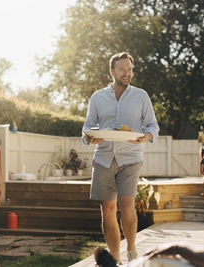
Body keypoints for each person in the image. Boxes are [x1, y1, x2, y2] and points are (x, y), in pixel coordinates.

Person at [82, 52, 159, 264]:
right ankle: (114, 258)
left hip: (131, 157)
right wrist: (89, 137)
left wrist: (147, 135)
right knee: (107, 209)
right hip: (104, 157)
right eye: (122, 70)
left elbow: (152, 124)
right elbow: (88, 127)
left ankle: (132, 249)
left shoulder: (141, 96)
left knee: (127, 206)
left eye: (130, 70)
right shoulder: (98, 97)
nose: (127, 74)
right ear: (112, 71)